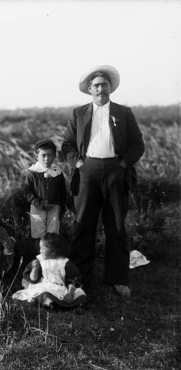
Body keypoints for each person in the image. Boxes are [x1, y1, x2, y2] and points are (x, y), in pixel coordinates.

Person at [61, 65, 145, 298]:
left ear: (110, 88)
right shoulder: (78, 113)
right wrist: (78, 163)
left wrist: (122, 165)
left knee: (116, 226)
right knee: (83, 225)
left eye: (104, 85)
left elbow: (137, 145)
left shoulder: (124, 112)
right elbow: (67, 144)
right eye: (96, 85)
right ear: (89, 89)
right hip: (87, 171)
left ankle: (118, 278)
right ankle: (79, 279)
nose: (101, 89)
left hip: (116, 172)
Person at [12, 233, 86, 309]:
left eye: (43, 248)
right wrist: (35, 268)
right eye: (40, 248)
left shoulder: (64, 262)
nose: (40, 251)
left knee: (80, 293)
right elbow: (33, 279)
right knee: (42, 292)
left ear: (53, 251)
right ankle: (49, 303)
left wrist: (70, 292)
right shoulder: (39, 261)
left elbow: (72, 279)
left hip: (60, 288)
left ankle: (54, 303)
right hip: (44, 285)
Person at [25, 139, 67, 247]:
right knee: (38, 232)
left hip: (54, 207)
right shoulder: (33, 172)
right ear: (37, 157)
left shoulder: (57, 172)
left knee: (52, 233)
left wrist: (62, 207)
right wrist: (39, 203)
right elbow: (27, 192)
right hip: (38, 207)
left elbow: (62, 191)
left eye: (50, 155)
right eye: (43, 155)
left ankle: (51, 256)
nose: (47, 159)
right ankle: (40, 256)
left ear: (54, 156)